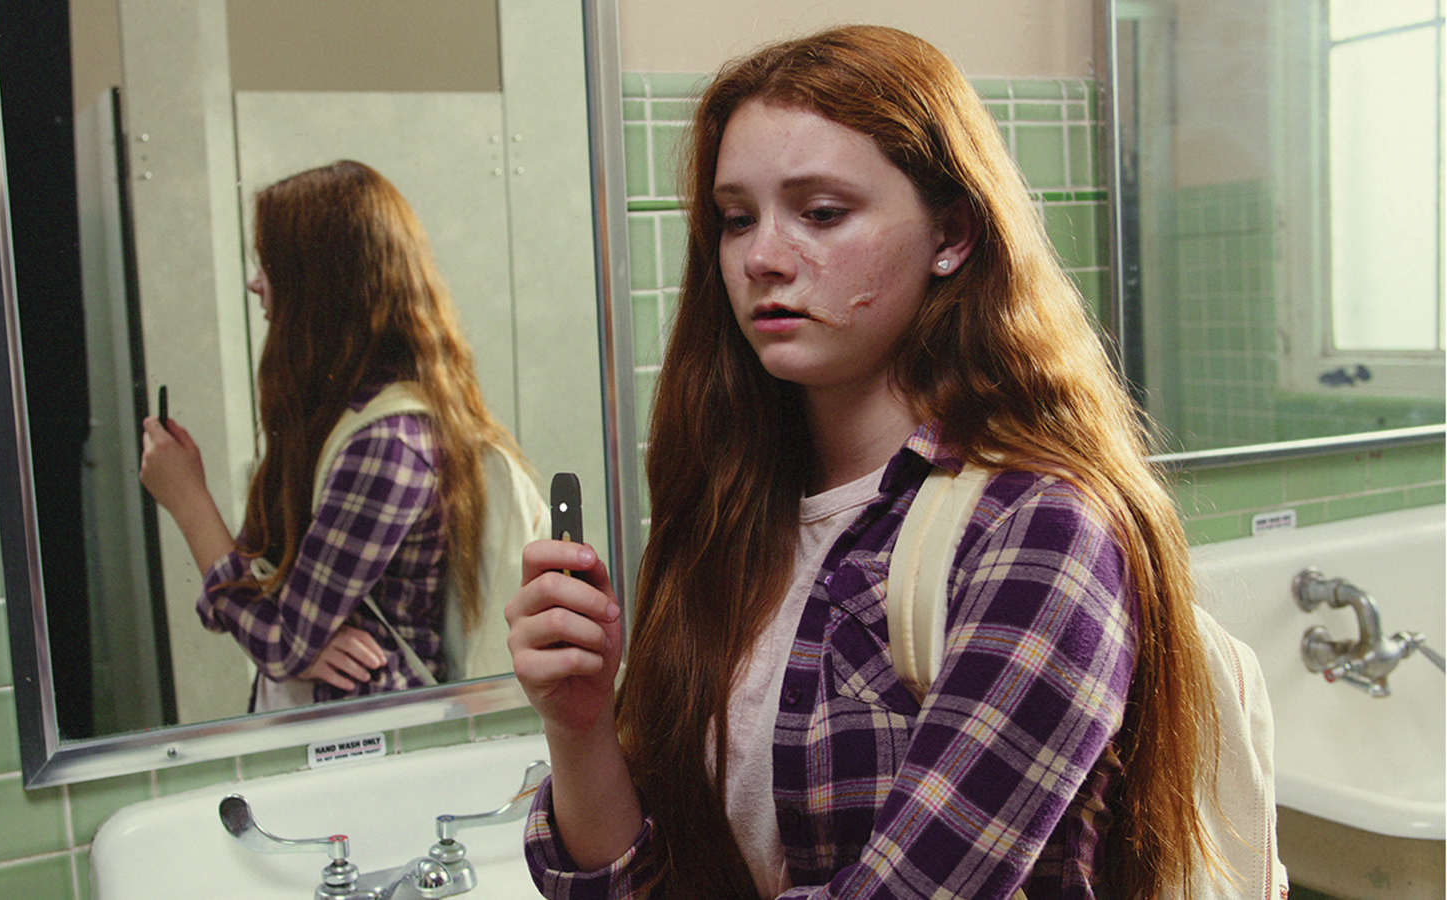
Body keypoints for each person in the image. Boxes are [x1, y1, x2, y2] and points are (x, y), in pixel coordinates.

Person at [508, 26, 1219, 899]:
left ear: (951, 233)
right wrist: (579, 727)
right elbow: (637, 885)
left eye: (821, 213)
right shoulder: (730, 512)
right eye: (737, 219)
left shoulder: (1040, 531)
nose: (762, 256)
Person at [141, 159, 520, 709]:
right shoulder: (337, 417)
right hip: (344, 730)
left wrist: (188, 501)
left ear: (316, 282)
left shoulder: (387, 442)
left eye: (268, 264)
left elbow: (278, 636)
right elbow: (260, 600)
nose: (254, 283)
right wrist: (293, 640)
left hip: (381, 741)